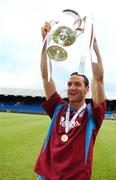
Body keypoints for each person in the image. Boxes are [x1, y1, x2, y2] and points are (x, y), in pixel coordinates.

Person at [34, 22, 106, 180]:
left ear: (87, 89)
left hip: (75, 177)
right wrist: (45, 43)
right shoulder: (58, 107)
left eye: (78, 84)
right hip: (46, 174)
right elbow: (46, 77)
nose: (72, 87)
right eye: (69, 84)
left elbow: (99, 79)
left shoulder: (93, 114)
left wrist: (93, 43)